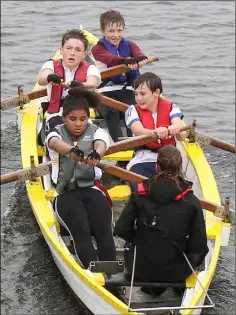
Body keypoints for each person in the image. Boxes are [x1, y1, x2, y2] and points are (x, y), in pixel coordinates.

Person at [114, 145, 209, 294]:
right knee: (202, 249)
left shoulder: (139, 194)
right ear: (180, 167)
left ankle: (152, 289)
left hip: (139, 270)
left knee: (137, 242)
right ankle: (179, 292)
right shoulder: (191, 201)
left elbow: (121, 229)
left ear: (157, 167)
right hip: (176, 273)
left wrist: (138, 239)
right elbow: (199, 244)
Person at [46, 87, 116, 269]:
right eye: (73, 119)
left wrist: (97, 154)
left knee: (104, 231)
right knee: (82, 230)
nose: (78, 124)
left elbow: (101, 144)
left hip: (91, 189)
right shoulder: (55, 132)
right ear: (64, 118)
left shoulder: (96, 132)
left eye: (83, 119)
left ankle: (110, 270)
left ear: (88, 118)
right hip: (65, 194)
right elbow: (54, 143)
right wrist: (71, 150)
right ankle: (92, 273)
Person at [91, 10, 148, 142]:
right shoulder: (97, 49)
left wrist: (140, 59)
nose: (116, 35)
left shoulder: (129, 44)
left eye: (119, 30)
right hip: (104, 90)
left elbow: (138, 53)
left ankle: (134, 143)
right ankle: (120, 147)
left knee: (132, 110)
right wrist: (125, 62)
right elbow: (110, 59)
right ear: (102, 30)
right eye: (111, 31)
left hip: (126, 88)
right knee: (112, 113)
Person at [125, 72, 186, 191]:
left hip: (169, 160)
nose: (138, 98)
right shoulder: (132, 110)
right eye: (136, 94)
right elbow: (138, 130)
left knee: (176, 190)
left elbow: (182, 136)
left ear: (156, 93)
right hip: (143, 159)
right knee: (142, 189)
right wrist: (155, 132)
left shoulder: (171, 108)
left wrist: (176, 129)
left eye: (143, 94)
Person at [37, 29, 101, 142]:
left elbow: (93, 83)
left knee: (90, 141)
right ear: (61, 50)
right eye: (68, 48)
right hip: (56, 114)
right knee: (57, 139)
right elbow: (42, 78)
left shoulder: (90, 69)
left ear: (84, 54)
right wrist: (49, 77)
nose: (72, 53)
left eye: (78, 50)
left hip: (80, 116)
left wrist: (82, 85)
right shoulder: (50, 64)